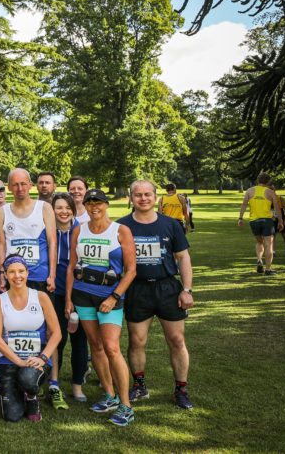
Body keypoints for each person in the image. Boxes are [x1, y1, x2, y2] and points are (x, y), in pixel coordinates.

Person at [120, 180, 195, 410]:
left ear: (155, 196)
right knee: (137, 341)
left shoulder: (171, 224)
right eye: (138, 195)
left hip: (167, 288)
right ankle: (139, 384)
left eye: (147, 194)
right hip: (137, 289)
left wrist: (187, 289)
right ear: (131, 198)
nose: (143, 198)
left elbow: (183, 258)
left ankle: (181, 389)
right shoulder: (121, 226)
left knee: (176, 340)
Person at [65, 188, 137, 426]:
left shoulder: (121, 230)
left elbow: (131, 270)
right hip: (83, 295)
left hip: (109, 298)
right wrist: (68, 299)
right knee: (95, 346)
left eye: (98, 203)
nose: (94, 207)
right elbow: (71, 267)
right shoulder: (79, 229)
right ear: (84, 206)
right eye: (89, 203)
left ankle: (126, 405)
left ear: (106, 205)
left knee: (111, 348)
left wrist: (114, 297)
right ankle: (110, 394)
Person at [0, 255, 62, 422]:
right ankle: (17, 391)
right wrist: (19, 361)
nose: (17, 276)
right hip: (9, 361)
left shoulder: (41, 297)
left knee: (28, 379)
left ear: (27, 273)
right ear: (5, 275)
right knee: (12, 416)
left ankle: (31, 398)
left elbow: (57, 332)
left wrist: (43, 358)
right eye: (12, 272)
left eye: (21, 271)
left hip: (36, 360)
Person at [50, 192, 90, 403]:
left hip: (78, 292)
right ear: (52, 210)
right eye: (59, 207)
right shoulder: (46, 230)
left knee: (80, 339)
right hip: (53, 292)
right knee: (57, 339)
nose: (63, 211)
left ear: (73, 210)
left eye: (67, 207)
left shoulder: (82, 230)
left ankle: (77, 385)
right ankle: (53, 383)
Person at [0, 168, 57, 293]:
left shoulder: (44, 208)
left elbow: (52, 243)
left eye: (23, 184)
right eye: (15, 185)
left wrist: (52, 275)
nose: (20, 188)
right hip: (13, 276)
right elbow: (2, 245)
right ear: (9, 187)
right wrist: (2, 273)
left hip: (39, 276)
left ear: (30, 185)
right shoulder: (2, 212)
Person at [238, 172, 284, 274]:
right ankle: (268, 269)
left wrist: (240, 218)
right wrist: (280, 221)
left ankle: (259, 260)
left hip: (254, 221)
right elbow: (277, 208)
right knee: (269, 244)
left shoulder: (249, 191)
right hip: (267, 220)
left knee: (259, 242)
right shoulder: (270, 192)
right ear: (268, 181)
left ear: (258, 180)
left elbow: (244, 204)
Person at [269, 183, 285, 257]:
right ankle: (273, 252)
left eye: (272, 189)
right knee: (273, 236)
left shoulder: (280, 198)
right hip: (272, 220)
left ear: (275, 189)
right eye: (269, 189)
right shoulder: (267, 199)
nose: (271, 190)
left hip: (281, 219)